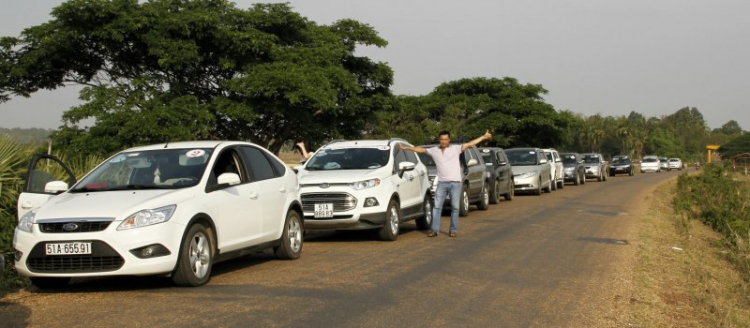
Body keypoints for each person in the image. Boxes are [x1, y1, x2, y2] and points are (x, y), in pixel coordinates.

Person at [400, 130, 492, 237]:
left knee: (455, 207)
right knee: (437, 207)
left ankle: (453, 230)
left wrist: (483, 137)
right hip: (442, 183)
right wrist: (407, 148)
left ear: (449, 140)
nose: (443, 141)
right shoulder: (434, 150)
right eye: (441, 139)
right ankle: (434, 230)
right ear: (439, 140)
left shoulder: (456, 149)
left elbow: (471, 143)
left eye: (445, 139)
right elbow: (421, 150)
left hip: (455, 183)